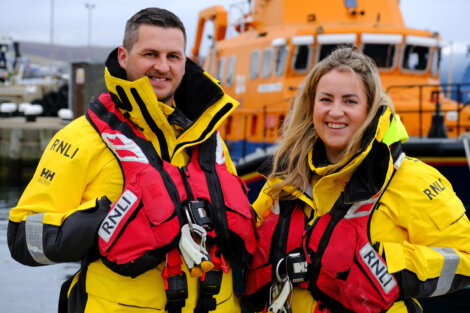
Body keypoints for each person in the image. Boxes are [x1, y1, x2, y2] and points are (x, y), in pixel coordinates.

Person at [7, 8, 257, 313]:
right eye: (150, 54)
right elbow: (23, 239)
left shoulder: (210, 140)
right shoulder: (81, 138)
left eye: (173, 56)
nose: (162, 66)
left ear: (185, 61)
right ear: (124, 57)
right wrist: (106, 222)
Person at [242, 47, 470, 313]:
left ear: (370, 108)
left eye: (350, 101)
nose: (336, 112)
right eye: (326, 99)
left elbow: (465, 256)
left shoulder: (411, 179)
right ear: (311, 104)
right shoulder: (286, 178)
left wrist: (389, 267)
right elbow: (244, 237)